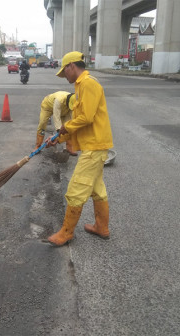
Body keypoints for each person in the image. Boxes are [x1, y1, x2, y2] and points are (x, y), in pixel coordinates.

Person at [45, 51, 114, 246]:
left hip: (95, 146)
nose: (64, 76)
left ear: (71, 67)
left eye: (64, 72)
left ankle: (66, 232)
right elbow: (78, 122)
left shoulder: (88, 84)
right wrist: (58, 138)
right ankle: (102, 227)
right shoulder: (80, 87)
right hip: (94, 146)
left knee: (76, 189)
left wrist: (64, 128)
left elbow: (86, 118)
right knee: (97, 189)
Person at [34, 91, 77, 156]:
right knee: (42, 123)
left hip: (65, 110)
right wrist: (59, 131)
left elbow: (70, 119)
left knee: (68, 126)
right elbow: (56, 116)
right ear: (67, 101)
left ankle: (69, 147)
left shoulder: (74, 102)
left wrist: (65, 128)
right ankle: (38, 145)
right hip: (48, 107)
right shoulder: (59, 100)